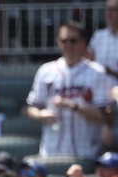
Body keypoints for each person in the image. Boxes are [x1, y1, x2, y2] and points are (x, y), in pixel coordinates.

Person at [26, 20, 112, 159]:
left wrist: (72, 106)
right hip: (51, 152)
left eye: (73, 41)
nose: (68, 45)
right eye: (64, 41)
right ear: (58, 42)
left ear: (82, 43)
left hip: (85, 153)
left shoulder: (97, 71)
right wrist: (40, 114)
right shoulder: (46, 71)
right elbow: (31, 108)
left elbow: (102, 114)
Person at [88, 0, 118, 85]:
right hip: (97, 89)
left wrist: (111, 72)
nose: (108, 13)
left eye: (112, 10)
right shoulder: (98, 35)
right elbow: (89, 59)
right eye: (107, 9)